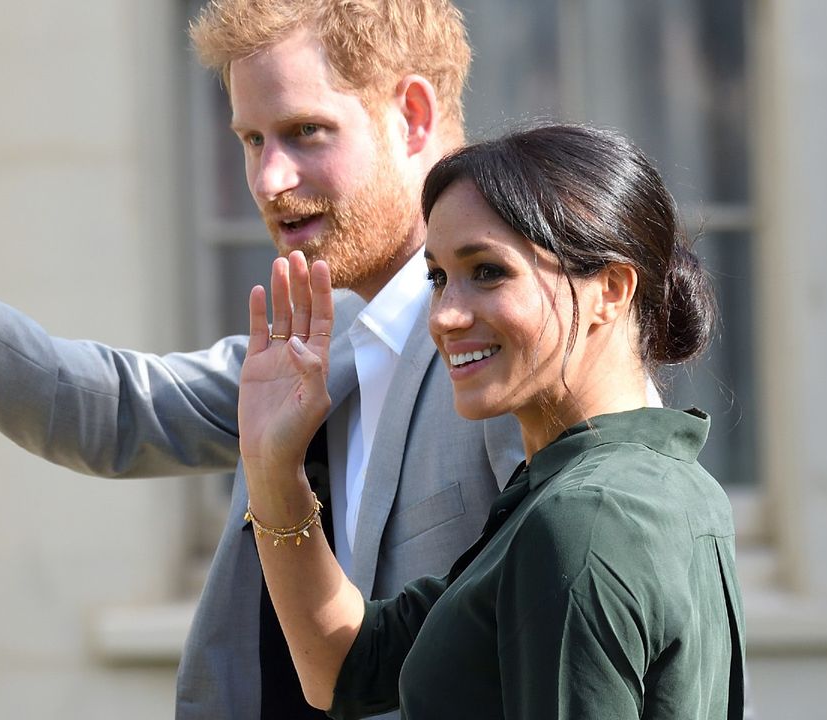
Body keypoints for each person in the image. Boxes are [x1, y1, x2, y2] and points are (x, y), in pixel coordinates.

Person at [0, 1, 522, 718]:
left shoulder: (514, 345)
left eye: (304, 132)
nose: (269, 180)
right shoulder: (324, 334)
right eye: (252, 140)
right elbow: (120, 409)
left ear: (412, 116)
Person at [236, 123, 746, 718]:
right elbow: (346, 666)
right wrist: (273, 468)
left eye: (488, 272)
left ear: (610, 288)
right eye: (437, 278)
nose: (446, 316)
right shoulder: (653, 489)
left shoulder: (585, 518)